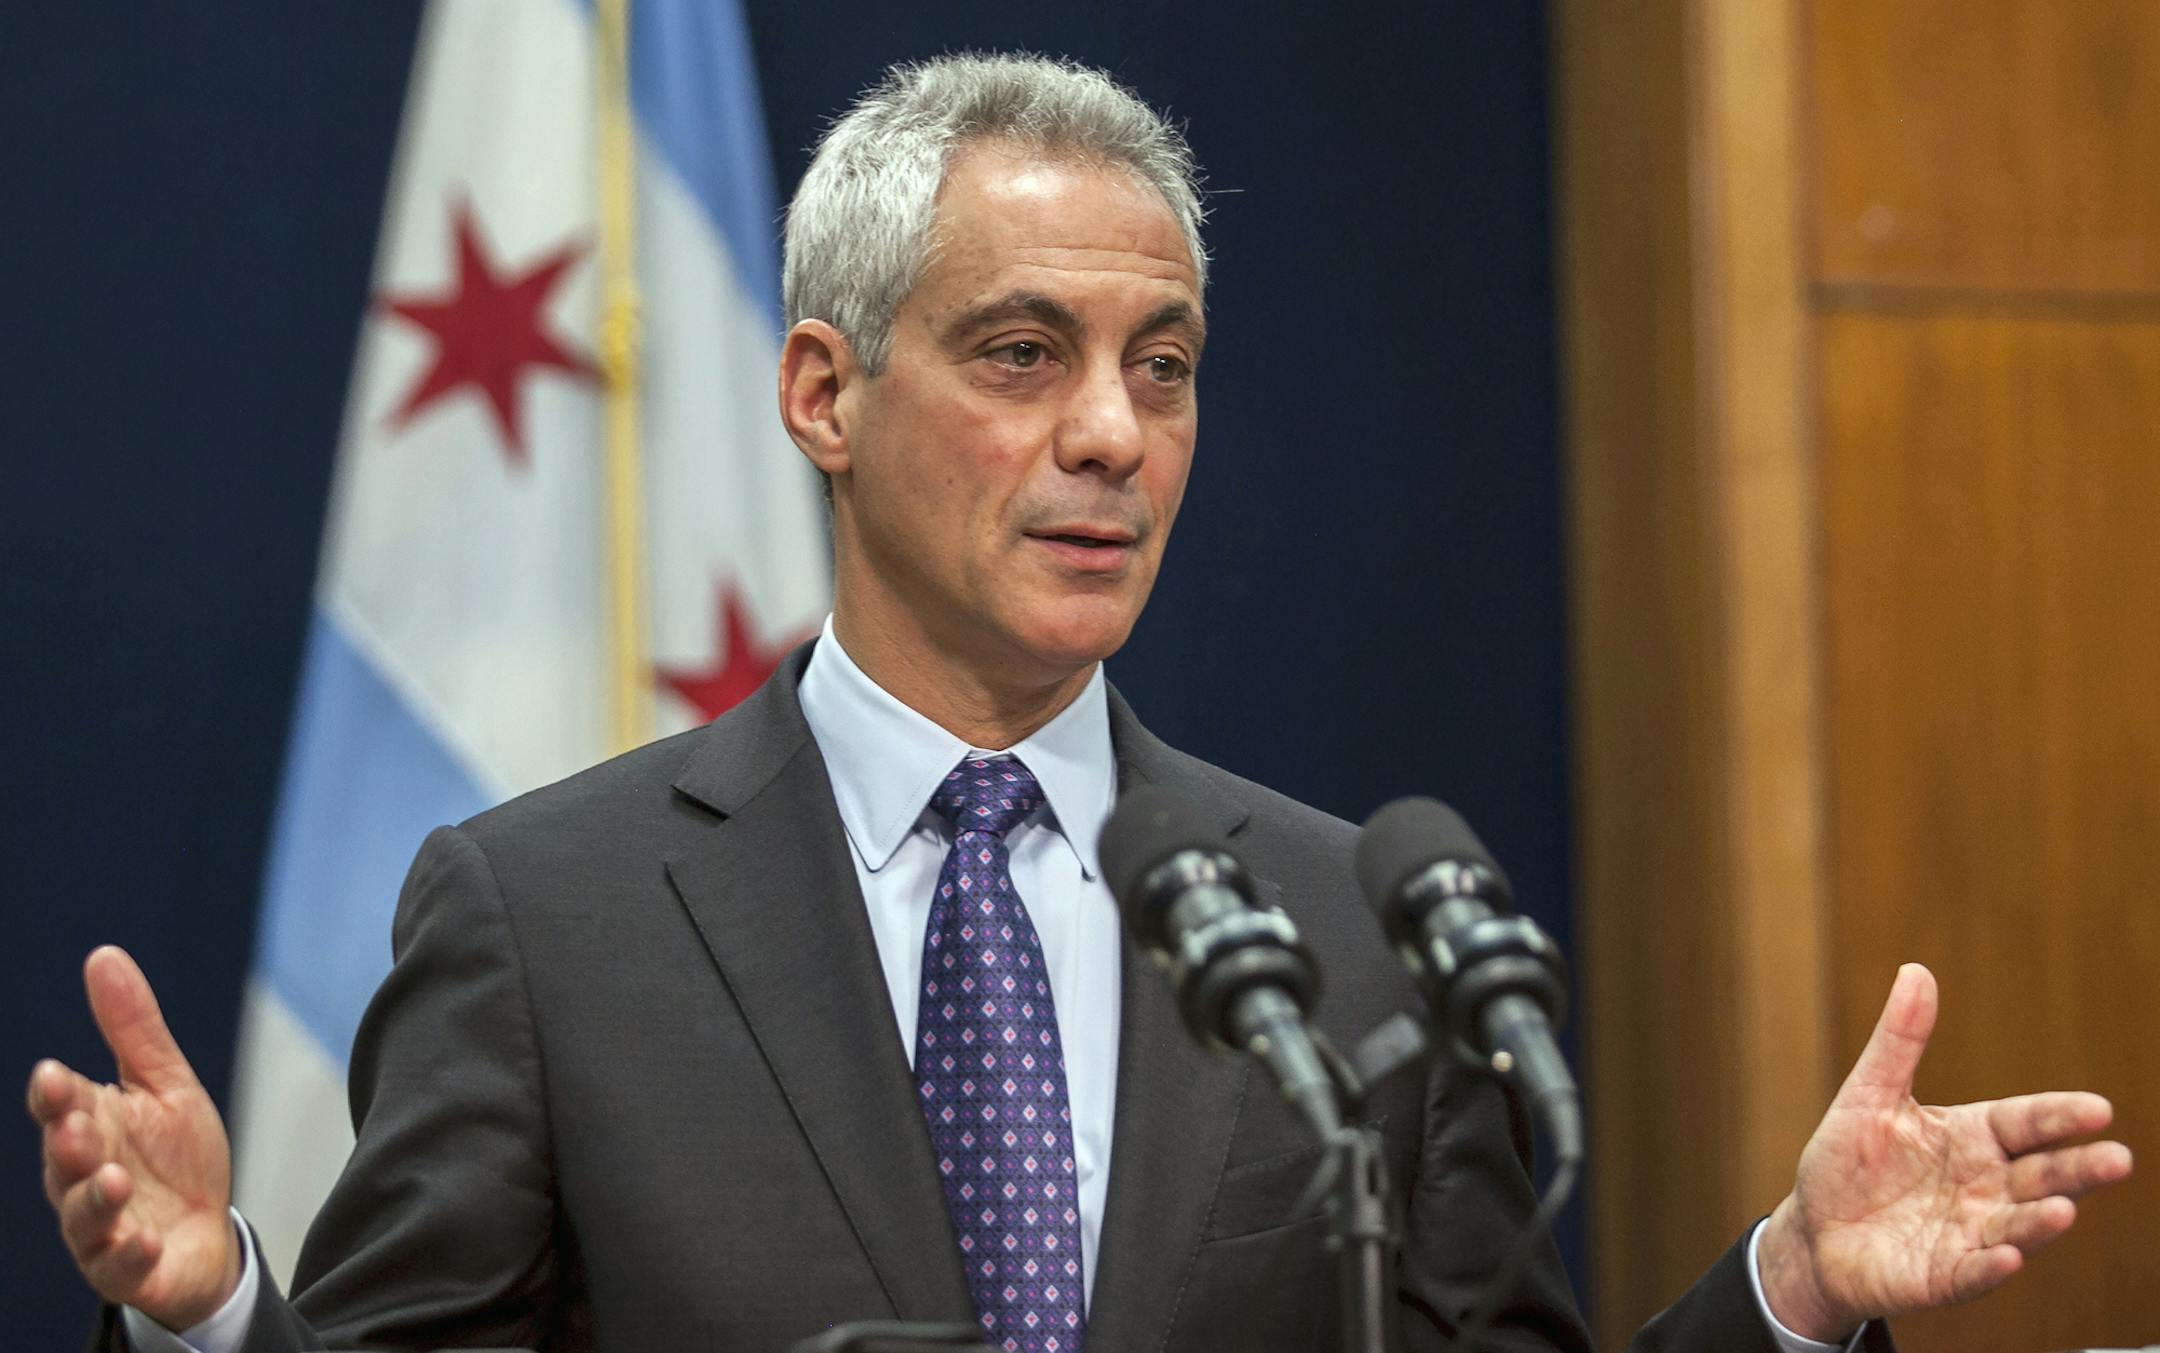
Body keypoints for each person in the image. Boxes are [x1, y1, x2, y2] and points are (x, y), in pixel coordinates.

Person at [28, 53, 2132, 1353]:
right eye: (1025, 353)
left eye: (1167, 362)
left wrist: (1792, 1287)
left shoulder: (1350, 923)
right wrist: (216, 1302)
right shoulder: (541, 917)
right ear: (824, 395)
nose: (1115, 431)